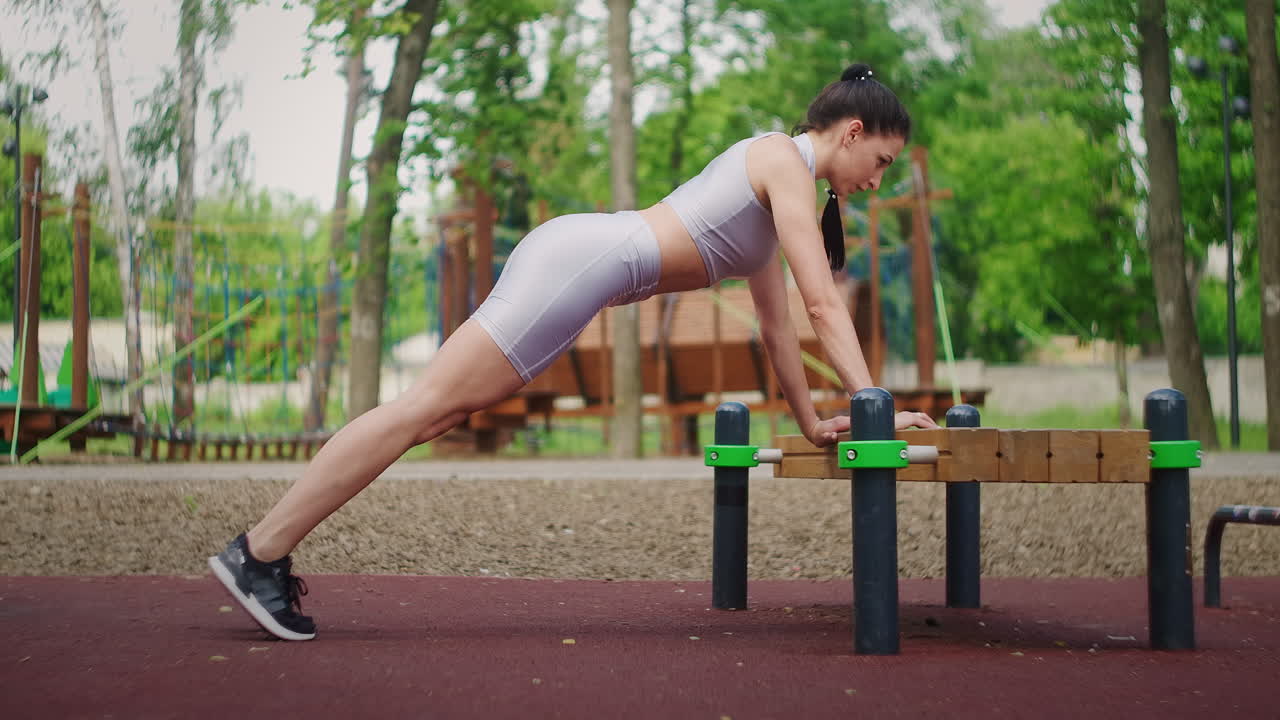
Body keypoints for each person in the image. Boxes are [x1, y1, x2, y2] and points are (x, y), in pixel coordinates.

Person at [208, 62, 940, 641]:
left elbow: (781, 327)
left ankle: (263, 552)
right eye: (879, 160)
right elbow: (822, 305)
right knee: (422, 409)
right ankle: (259, 551)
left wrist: (817, 422)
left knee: (427, 416)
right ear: (849, 131)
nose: (876, 181)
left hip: (580, 267)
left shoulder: (781, 184)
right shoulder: (780, 160)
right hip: (579, 263)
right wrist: (876, 407)